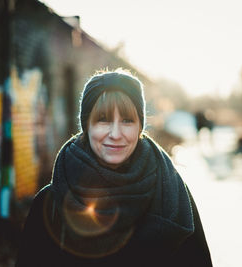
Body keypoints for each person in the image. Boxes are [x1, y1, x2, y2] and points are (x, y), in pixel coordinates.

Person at [15, 69, 212, 267]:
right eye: (103, 119)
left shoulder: (173, 195)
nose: (116, 134)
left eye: (127, 120)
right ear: (87, 125)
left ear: (139, 127)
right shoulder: (49, 203)